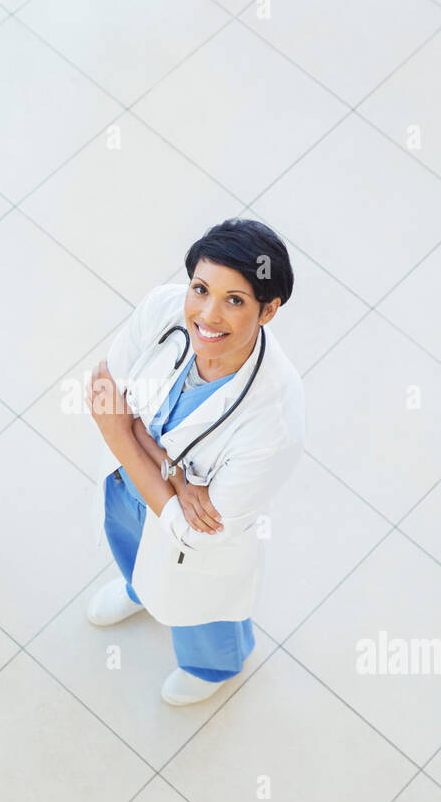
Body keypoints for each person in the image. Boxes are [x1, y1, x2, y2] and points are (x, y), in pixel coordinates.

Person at [85, 219, 305, 705]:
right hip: (129, 490)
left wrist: (121, 432)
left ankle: (213, 667)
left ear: (269, 310)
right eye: (201, 289)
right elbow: (109, 388)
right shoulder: (164, 307)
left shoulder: (276, 420)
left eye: (235, 300)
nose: (207, 315)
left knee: (204, 606)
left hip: (200, 549)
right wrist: (176, 475)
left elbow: (195, 531)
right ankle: (139, 587)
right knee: (129, 544)